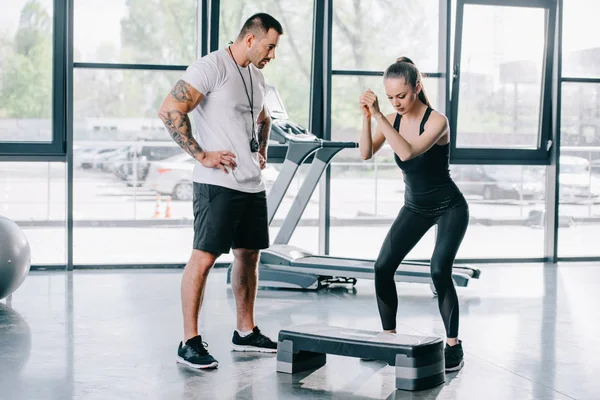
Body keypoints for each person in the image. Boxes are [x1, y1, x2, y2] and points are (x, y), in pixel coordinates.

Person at [157, 13, 284, 369]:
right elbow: (170, 110)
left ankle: (245, 332)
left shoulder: (256, 77)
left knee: (249, 255)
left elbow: (264, 119)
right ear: (249, 39)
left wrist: (261, 151)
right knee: (204, 258)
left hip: (250, 184)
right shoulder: (210, 67)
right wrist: (201, 154)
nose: (272, 54)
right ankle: (189, 341)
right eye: (269, 46)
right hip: (217, 184)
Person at [358, 57, 469, 372]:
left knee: (438, 271)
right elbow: (365, 153)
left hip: (450, 207)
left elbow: (407, 151)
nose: (396, 103)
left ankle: (453, 346)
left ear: (417, 87)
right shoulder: (391, 119)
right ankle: (388, 338)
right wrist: (368, 117)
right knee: (382, 267)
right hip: (415, 207)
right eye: (390, 98)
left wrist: (380, 113)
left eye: (401, 96)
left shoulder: (437, 121)